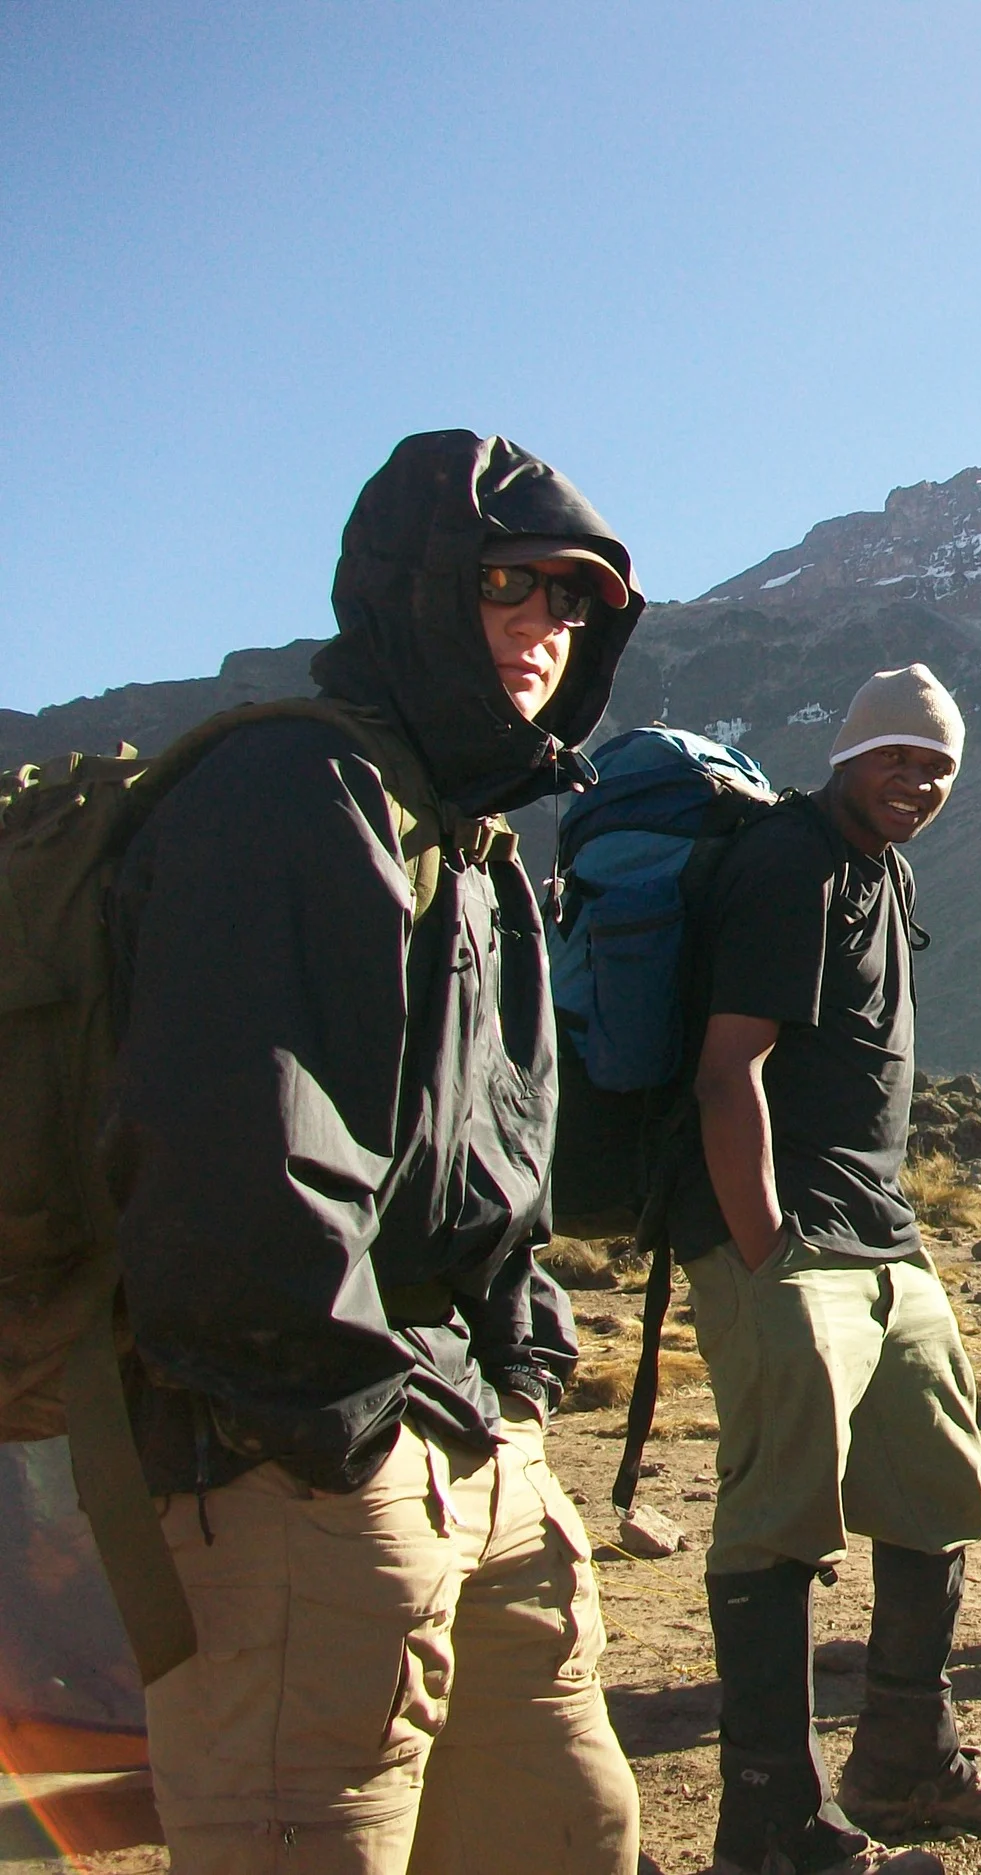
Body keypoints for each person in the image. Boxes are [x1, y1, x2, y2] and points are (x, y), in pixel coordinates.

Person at [109, 430, 644, 1874]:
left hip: (473, 1442)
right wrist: (356, 1438)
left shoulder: (480, 847)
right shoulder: (291, 794)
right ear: (413, 590)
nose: (545, 624)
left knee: (572, 1831)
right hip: (299, 1469)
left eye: (577, 599)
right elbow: (240, 1175)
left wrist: (518, 1383)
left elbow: (502, 1176)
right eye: (511, 583)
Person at [677, 663, 981, 1875]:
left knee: (933, 1484)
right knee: (777, 1522)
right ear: (847, 755)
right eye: (899, 757)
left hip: (880, 1234)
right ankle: (770, 1825)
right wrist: (766, 1250)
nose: (919, 782)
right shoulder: (790, 862)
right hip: (787, 1245)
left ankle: (905, 1758)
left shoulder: (883, 866)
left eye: (938, 766)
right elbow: (732, 1069)